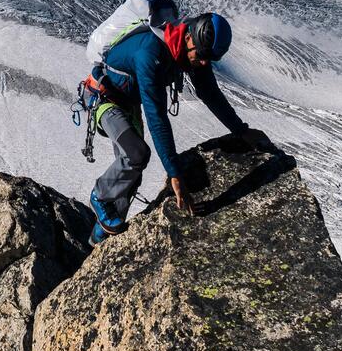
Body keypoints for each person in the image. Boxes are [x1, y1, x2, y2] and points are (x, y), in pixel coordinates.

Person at [87, 12, 271, 244]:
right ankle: (100, 196)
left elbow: (210, 93)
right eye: (203, 56)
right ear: (190, 38)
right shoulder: (150, 54)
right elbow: (157, 118)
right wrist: (174, 174)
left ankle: (100, 238)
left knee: (130, 177)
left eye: (209, 59)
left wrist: (241, 130)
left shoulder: (192, 49)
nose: (204, 63)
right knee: (136, 155)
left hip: (128, 104)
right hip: (104, 100)